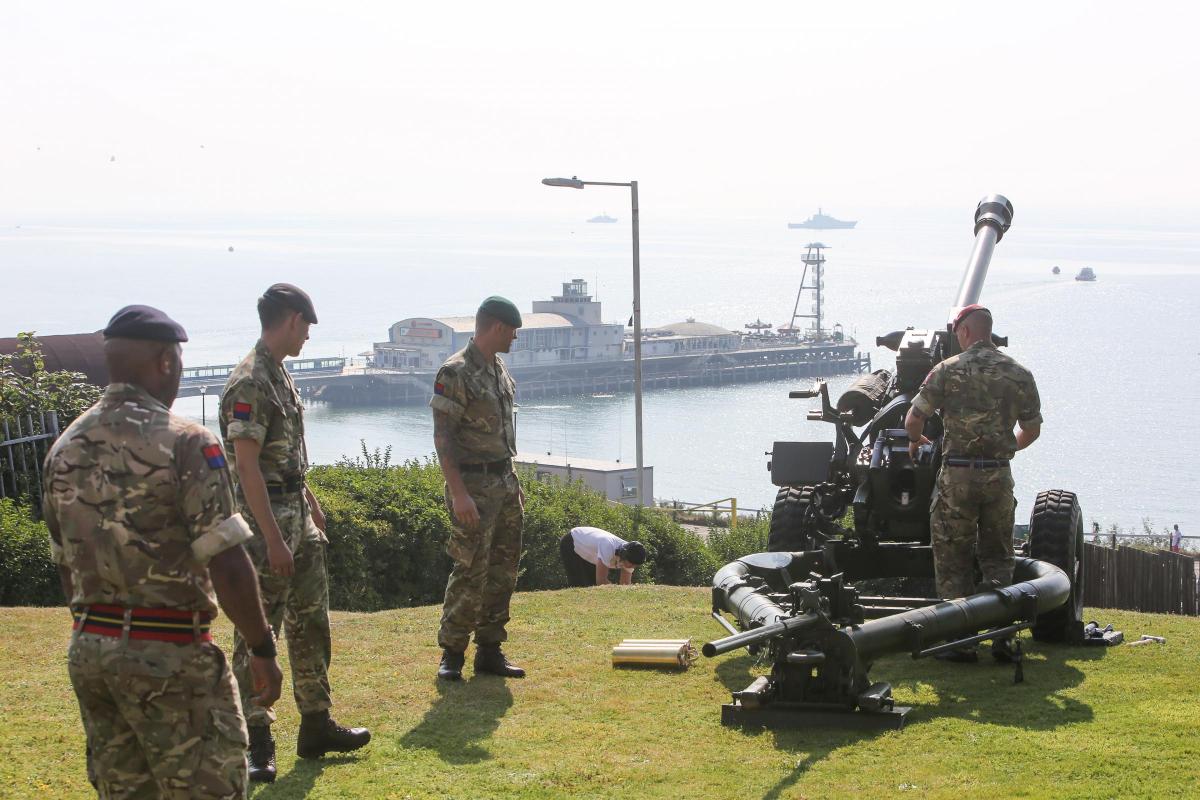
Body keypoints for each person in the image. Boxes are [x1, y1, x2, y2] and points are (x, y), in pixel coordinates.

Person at [42, 305, 284, 797]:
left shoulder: (63, 448)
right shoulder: (187, 443)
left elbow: (66, 566)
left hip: (91, 651)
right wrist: (261, 646)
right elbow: (228, 561)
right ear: (166, 363)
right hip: (171, 652)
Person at [220, 284, 369, 782]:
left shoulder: (280, 376)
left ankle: (315, 723)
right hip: (268, 529)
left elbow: (285, 460)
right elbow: (246, 468)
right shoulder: (250, 382)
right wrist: (274, 537)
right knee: (258, 633)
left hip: (295, 516)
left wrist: (311, 504)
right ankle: (256, 739)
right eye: (306, 325)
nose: (308, 335)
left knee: (311, 623)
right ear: (289, 319)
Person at [905, 304, 1041, 661]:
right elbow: (1032, 429)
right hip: (998, 476)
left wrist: (918, 442)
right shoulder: (1019, 373)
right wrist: (1005, 451)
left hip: (957, 477)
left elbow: (913, 419)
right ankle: (1002, 637)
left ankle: (959, 642)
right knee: (999, 557)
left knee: (953, 559)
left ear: (964, 331)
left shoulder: (947, 370)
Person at [430, 296, 527, 681]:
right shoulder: (454, 372)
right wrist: (458, 493)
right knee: (470, 567)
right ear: (498, 327)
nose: (515, 338)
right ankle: (452, 651)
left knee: (503, 569)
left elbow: (503, 433)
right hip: (471, 485)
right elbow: (443, 437)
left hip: (503, 482)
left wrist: (513, 482)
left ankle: (490, 648)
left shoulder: (498, 368)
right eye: (513, 331)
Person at [560, 526, 648, 586]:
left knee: (591, 585)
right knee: (580, 583)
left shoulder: (632, 555)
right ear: (624, 555)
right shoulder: (608, 546)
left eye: (634, 566)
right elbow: (601, 581)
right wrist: (615, 592)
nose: (631, 567)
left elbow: (625, 584)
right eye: (631, 565)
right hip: (573, 541)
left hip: (590, 551)